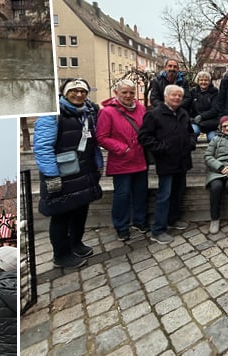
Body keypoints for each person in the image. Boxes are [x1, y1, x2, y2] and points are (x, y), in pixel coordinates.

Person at [34, 78, 103, 269]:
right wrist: (52, 176)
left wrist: (98, 164)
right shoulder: (52, 115)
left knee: (80, 210)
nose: (79, 94)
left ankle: (76, 243)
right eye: (75, 90)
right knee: (61, 214)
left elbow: (93, 142)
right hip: (61, 174)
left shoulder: (87, 112)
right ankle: (61, 254)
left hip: (83, 170)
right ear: (65, 92)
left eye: (83, 91)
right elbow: (42, 148)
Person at [138, 84, 196, 244]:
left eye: (179, 96)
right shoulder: (154, 115)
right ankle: (158, 230)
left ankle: (173, 220)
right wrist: (162, 148)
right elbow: (144, 137)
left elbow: (191, 133)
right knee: (164, 196)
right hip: (166, 162)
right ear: (165, 97)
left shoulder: (183, 113)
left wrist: (191, 143)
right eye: (173, 95)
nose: (177, 98)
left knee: (178, 192)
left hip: (182, 161)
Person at [96, 79, 149, 242]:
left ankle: (139, 221)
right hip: (122, 161)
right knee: (122, 196)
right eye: (124, 92)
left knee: (141, 193)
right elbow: (102, 137)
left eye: (131, 92)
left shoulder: (141, 108)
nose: (128, 95)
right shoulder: (107, 112)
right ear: (116, 93)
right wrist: (122, 148)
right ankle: (121, 226)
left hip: (140, 159)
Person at [188, 71, 219, 142]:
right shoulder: (193, 92)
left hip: (211, 123)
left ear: (209, 81)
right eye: (201, 80)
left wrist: (202, 116)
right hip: (196, 122)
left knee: (212, 139)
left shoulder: (215, 92)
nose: (203, 82)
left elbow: (215, 110)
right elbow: (190, 108)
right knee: (193, 132)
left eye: (206, 80)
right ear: (198, 81)